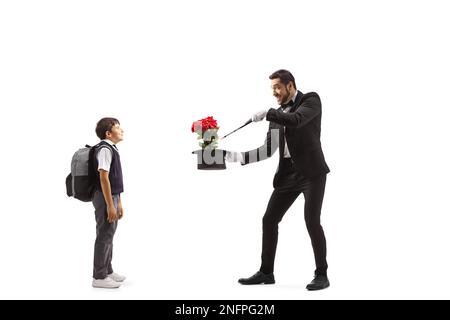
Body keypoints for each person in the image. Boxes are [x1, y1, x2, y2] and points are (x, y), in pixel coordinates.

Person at [225, 69, 330, 290]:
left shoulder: (310, 100)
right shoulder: (278, 115)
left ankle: (321, 274)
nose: (274, 92)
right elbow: (267, 150)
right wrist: (237, 157)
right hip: (288, 175)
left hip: (312, 173)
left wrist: (269, 113)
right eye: (271, 88)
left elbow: (297, 119)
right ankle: (266, 272)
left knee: (312, 221)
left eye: (277, 87)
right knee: (269, 219)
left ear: (290, 85)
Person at [91, 117, 126, 288]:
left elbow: (114, 179)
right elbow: (103, 178)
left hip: (111, 197)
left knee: (109, 234)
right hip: (104, 197)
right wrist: (110, 205)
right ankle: (99, 277)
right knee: (104, 235)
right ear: (108, 133)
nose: (122, 130)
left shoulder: (112, 148)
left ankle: (108, 270)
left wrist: (118, 202)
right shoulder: (105, 149)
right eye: (118, 128)